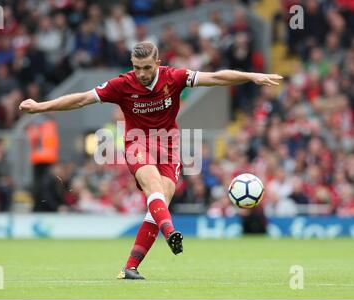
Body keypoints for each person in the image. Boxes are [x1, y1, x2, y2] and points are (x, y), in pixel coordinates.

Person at [19, 42, 282, 280]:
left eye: (146, 68)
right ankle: (171, 233)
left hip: (169, 147)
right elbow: (82, 99)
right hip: (137, 143)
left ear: (157, 64)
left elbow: (214, 77)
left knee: (158, 205)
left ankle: (130, 268)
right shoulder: (122, 84)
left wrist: (251, 76)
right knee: (154, 188)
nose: (141, 74)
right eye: (136, 68)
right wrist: (41, 106)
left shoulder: (174, 77)